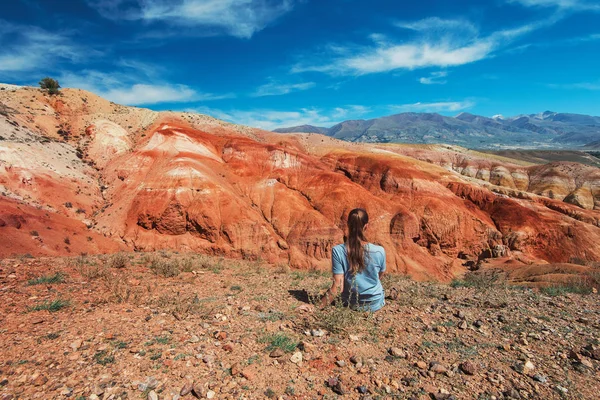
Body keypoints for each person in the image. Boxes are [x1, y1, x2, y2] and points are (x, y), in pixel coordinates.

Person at [321, 208, 386, 312]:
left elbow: (338, 286)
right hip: (375, 302)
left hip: (350, 302)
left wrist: (316, 307)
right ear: (366, 226)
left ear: (348, 225)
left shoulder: (338, 251)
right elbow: (379, 276)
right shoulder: (379, 251)